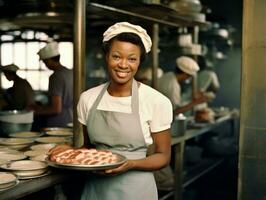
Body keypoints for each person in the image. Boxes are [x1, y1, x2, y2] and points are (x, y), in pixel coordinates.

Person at [50, 22, 173, 200]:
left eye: (132, 59)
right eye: (117, 56)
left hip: (136, 191)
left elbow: (163, 156)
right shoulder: (88, 98)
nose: (123, 65)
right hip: (96, 190)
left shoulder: (156, 101)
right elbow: (89, 148)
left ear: (139, 62)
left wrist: (130, 164)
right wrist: (70, 152)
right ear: (107, 56)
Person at [31, 41, 73, 127]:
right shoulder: (71, 72)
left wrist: (34, 112)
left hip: (58, 123)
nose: (45, 65)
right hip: (71, 119)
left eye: (45, 62)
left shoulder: (56, 76)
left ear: (49, 60)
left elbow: (56, 109)